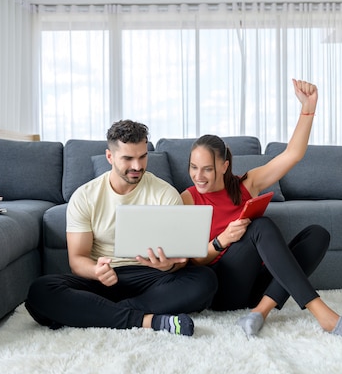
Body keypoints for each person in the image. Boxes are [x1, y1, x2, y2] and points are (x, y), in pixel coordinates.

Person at [181, 79, 342, 340]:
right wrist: (223, 240)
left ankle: (259, 312)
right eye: (193, 167)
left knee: (318, 234)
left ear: (224, 166)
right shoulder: (187, 199)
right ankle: (326, 316)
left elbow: (292, 155)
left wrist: (308, 110)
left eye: (207, 169)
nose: (198, 176)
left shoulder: (248, 183)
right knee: (260, 226)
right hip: (223, 289)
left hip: (258, 284)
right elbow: (192, 261)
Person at [25, 120, 217, 336]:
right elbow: (77, 260)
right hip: (103, 280)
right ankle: (147, 320)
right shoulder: (85, 196)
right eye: (128, 158)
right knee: (40, 291)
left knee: (204, 280)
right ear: (110, 157)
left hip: (151, 278)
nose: (137, 166)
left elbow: (179, 261)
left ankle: (96, 312)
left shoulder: (165, 193)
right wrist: (96, 272)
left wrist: (169, 267)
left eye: (142, 156)